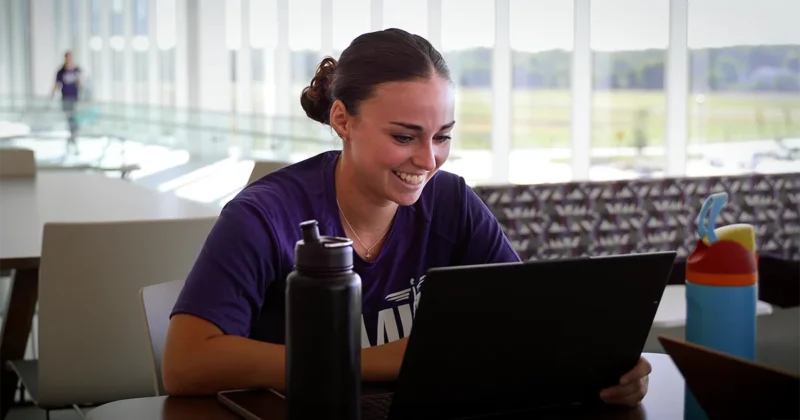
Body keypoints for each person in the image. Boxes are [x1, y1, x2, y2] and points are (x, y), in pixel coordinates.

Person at [162, 28, 651, 407]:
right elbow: (186, 364)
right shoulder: (262, 216)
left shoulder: (451, 202)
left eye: (442, 136)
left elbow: (524, 324)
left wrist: (599, 368)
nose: (428, 159)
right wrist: (376, 362)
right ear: (342, 120)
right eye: (404, 136)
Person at [51, 51, 81, 153]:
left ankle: (73, 136)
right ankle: (72, 136)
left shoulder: (76, 70)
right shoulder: (61, 72)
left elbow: (80, 83)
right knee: (70, 118)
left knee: (74, 118)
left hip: (75, 98)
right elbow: (57, 84)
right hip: (65, 98)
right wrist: (53, 94)